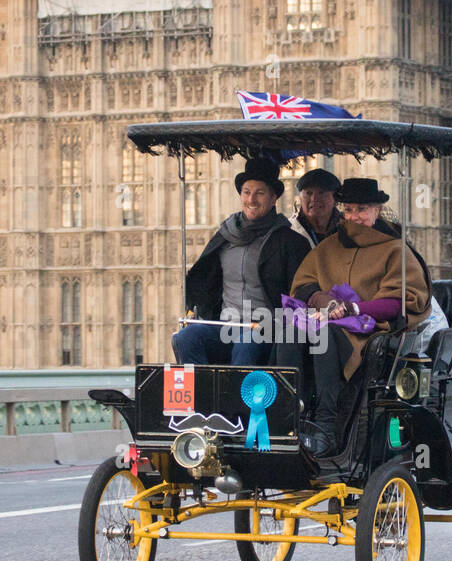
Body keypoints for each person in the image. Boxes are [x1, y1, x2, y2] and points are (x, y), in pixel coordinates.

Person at [285, 177, 433, 457]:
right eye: (349, 209)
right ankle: (289, 416)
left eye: (362, 209)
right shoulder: (327, 248)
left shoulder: (395, 250)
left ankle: (326, 425)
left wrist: (355, 309)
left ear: (377, 210)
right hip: (326, 323)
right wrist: (325, 301)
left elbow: (401, 301)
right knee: (288, 330)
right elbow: (304, 286)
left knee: (323, 334)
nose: (354, 217)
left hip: (369, 334)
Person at [171, 156, 310, 366]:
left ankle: (236, 398)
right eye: (247, 192)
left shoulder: (289, 242)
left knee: (248, 340)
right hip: (226, 325)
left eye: (259, 193)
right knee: (185, 337)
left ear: (273, 198)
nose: (251, 199)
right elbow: (204, 281)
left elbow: (299, 295)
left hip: (267, 328)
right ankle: (201, 395)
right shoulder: (226, 236)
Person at [288, 168, 342, 246]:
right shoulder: (289, 230)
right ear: (300, 198)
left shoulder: (348, 230)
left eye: (321, 193)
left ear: (336, 199)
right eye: (308, 193)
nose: (314, 199)